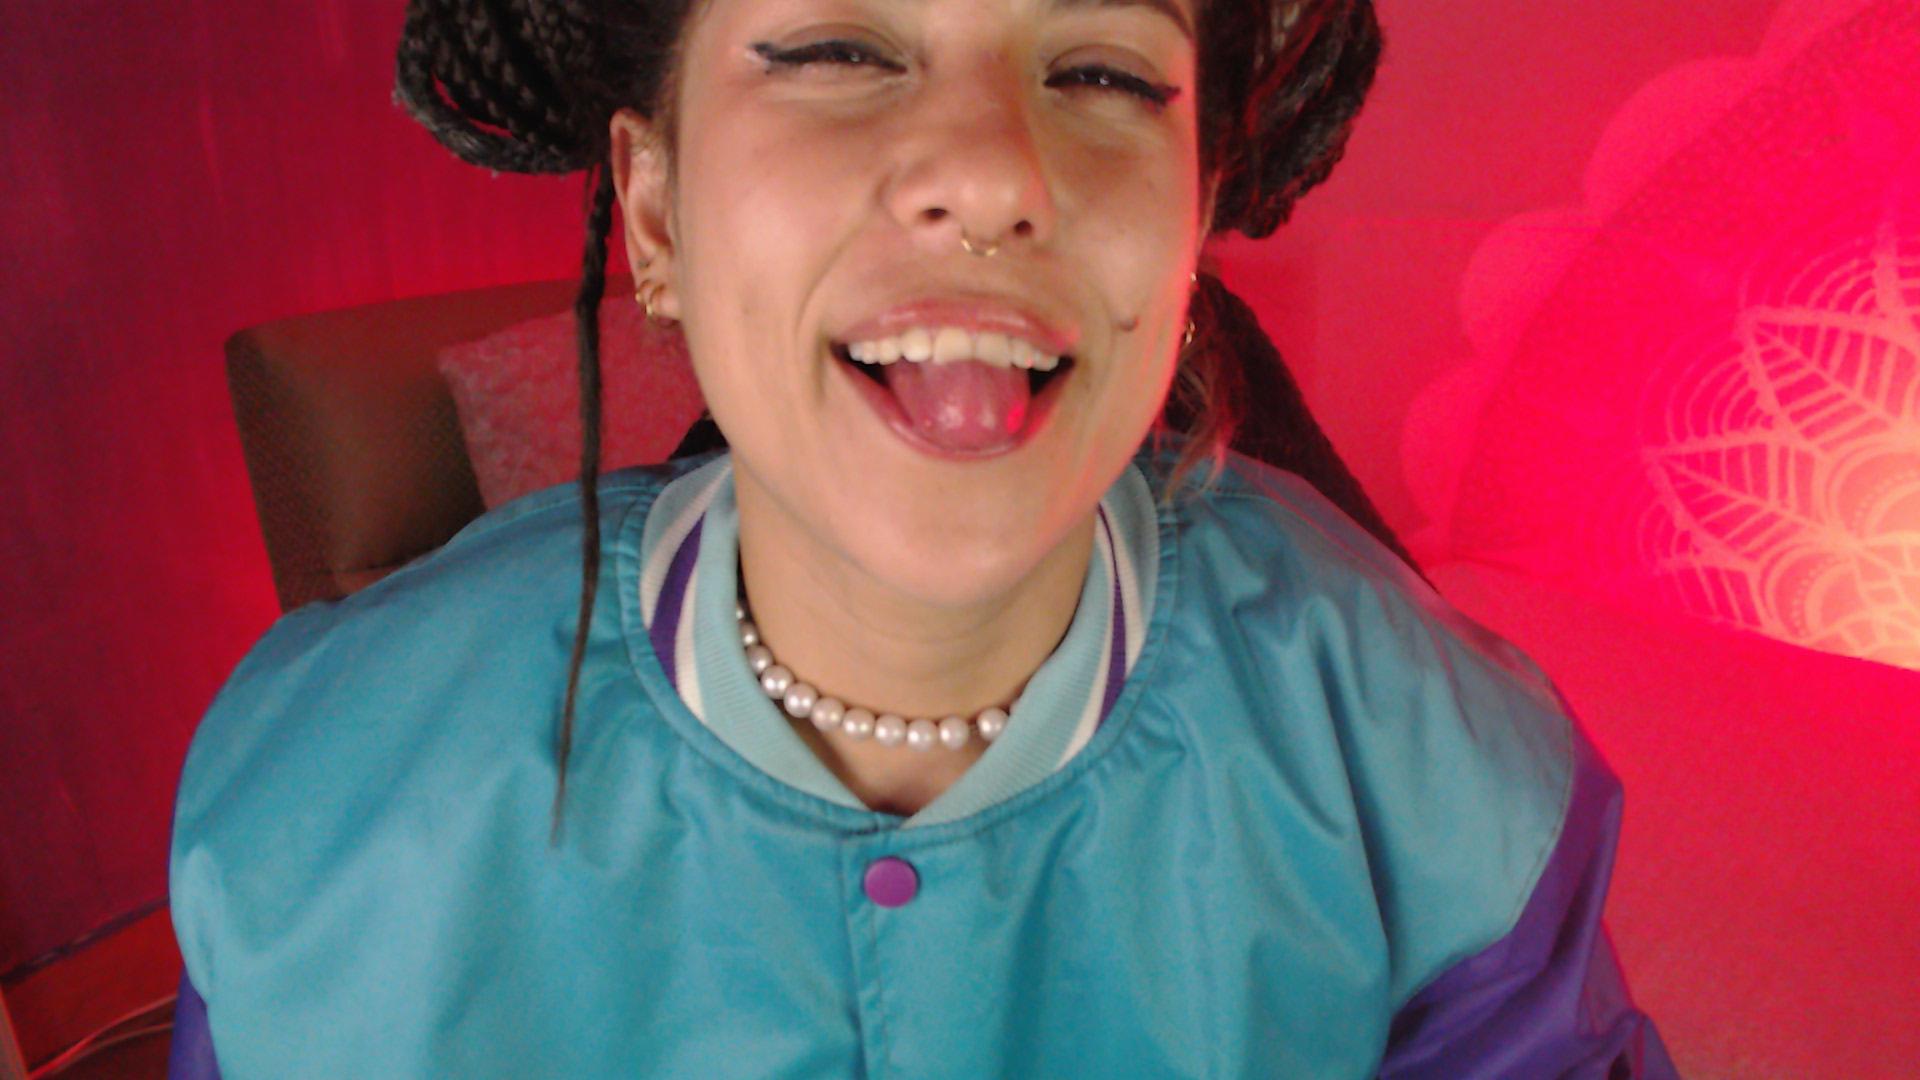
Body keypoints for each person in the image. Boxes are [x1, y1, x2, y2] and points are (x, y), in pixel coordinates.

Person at [167, 0, 1678, 1076]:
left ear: (1197, 216)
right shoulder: (332, 810)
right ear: (656, 211)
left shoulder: (1422, 763)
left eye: (1099, 69)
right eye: (840, 50)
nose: (997, 174)